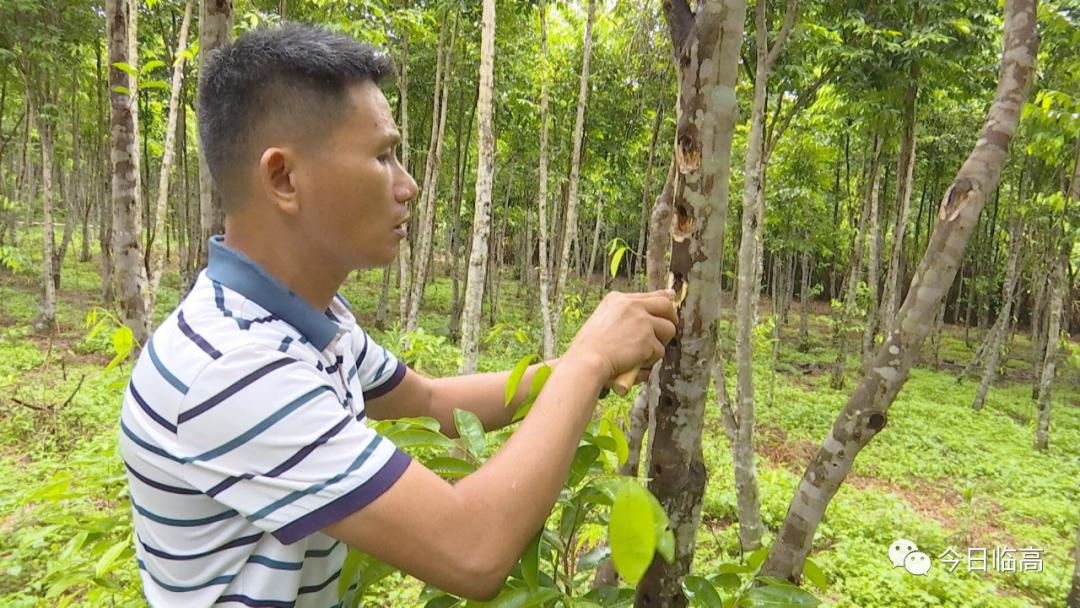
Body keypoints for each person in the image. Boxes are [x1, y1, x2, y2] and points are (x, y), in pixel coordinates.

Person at [119, 24, 677, 607]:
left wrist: (590, 363)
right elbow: (473, 549)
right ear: (283, 177)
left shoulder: (307, 320)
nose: (407, 186)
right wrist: (589, 360)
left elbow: (433, 401)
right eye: (382, 156)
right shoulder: (233, 367)